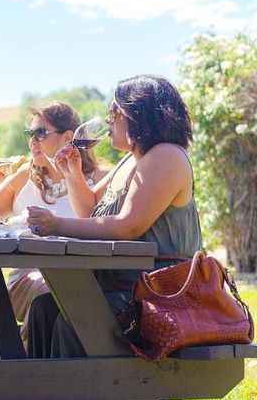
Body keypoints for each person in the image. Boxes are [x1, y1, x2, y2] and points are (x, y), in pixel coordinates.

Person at [25, 75, 202, 359]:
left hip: (156, 294)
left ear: (137, 114)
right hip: (123, 284)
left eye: (114, 113)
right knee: (44, 309)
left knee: (75, 321)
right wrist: (72, 173)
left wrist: (56, 225)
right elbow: (91, 209)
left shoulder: (165, 157)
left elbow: (128, 226)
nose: (108, 122)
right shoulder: (132, 159)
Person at [0, 102, 105, 348]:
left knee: (62, 297)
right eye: (30, 134)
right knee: (49, 291)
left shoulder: (100, 181)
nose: (32, 141)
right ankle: (30, 366)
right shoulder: (25, 176)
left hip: (82, 275)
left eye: (40, 133)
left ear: (69, 137)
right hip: (27, 277)